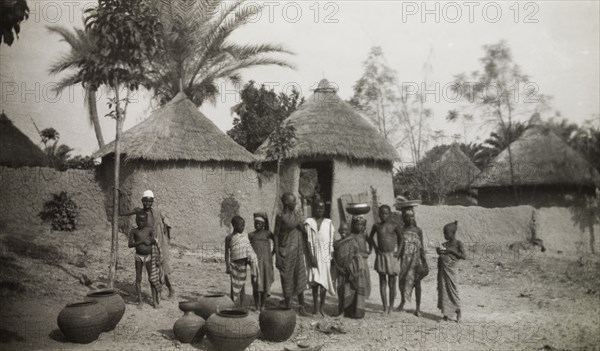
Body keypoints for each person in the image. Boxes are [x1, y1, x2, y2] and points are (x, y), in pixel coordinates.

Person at [121, 190, 174, 298]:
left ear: (152, 202)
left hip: (158, 241)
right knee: (153, 267)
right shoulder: (139, 211)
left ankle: (170, 288)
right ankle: (158, 292)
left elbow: (166, 225)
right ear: (142, 201)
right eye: (145, 201)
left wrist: (166, 239)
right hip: (148, 242)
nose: (147, 204)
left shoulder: (156, 212)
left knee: (161, 265)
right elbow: (124, 213)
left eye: (150, 202)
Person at [274, 193, 315, 317]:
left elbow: (303, 231)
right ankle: (288, 306)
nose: (295, 203)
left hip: (297, 251)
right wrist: (277, 256)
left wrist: (302, 226)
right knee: (286, 278)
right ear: (286, 202)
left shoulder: (296, 216)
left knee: (300, 277)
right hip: (285, 252)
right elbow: (275, 236)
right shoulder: (280, 217)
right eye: (293, 201)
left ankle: (301, 308)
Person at [368, 205, 403, 316]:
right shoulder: (376, 226)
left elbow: (402, 239)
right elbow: (370, 238)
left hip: (392, 256)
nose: (384, 216)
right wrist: (375, 249)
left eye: (386, 213)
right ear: (379, 214)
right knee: (382, 282)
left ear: (390, 214)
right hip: (381, 256)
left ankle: (391, 308)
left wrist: (399, 252)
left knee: (392, 283)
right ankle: (384, 307)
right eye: (382, 214)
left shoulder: (394, 225)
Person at [304, 198, 336, 317]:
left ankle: (322, 308)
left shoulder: (328, 223)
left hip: (325, 255)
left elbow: (331, 241)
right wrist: (311, 256)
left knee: (324, 283)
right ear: (313, 208)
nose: (320, 210)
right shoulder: (309, 222)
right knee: (315, 283)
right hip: (313, 255)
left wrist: (330, 255)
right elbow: (307, 241)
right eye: (317, 207)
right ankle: (316, 309)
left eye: (322, 208)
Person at [397, 207, 429, 316]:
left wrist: (424, 262)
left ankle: (418, 308)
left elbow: (421, 247)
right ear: (403, 218)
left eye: (412, 216)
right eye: (407, 217)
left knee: (417, 283)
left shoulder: (418, 230)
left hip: (416, 261)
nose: (410, 218)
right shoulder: (401, 230)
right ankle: (402, 301)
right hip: (405, 260)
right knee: (402, 281)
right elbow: (399, 246)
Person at [333, 222, 369, 318]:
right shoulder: (336, 244)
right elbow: (334, 258)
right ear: (339, 231)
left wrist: (351, 268)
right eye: (342, 230)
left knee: (350, 291)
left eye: (346, 230)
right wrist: (338, 268)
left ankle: (350, 312)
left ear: (349, 231)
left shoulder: (352, 241)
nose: (343, 232)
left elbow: (357, 255)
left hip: (350, 271)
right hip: (340, 271)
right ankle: (341, 311)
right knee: (340, 290)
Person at [128, 212, 161, 308]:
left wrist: (151, 240)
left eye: (143, 221)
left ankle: (154, 301)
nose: (140, 222)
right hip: (138, 256)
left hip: (149, 256)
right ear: (136, 220)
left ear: (146, 221)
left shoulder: (149, 230)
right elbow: (130, 244)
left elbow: (154, 241)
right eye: (138, 220)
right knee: (138, 278)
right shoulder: (134, 231)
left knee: (152, 278)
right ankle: (140, 301)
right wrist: (141, 241)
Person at [225, 216, 259, 307]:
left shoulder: (244, 237)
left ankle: (242, 306)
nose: (243, 227)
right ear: (234, 225)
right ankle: (232, 305)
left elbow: (248, 250)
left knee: (242, 286)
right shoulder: (229, 238)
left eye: (244, 225)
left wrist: (251, 262)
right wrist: (227, 266)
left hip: (243, 264)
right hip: (234, 265)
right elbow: (227, 253)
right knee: (233, 286)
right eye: (241, 225)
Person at [437, 220, 466, 322]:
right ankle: (445, 315)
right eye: (444, 233)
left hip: (452, 272)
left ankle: (458, 312)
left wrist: (451, 251)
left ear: (453, 233)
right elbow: (442, 256)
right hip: (444, 273)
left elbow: (464, 256)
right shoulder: (444, 244)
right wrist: (439, 252)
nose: (444, 235)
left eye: (446, 233)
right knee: (444, 291)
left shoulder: (458, 244)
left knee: (454, 291)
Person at [248, 212, 275, 311]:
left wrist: (273, 253)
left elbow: (276, 240)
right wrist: (249, 259)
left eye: (260, 223)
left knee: (265, 284)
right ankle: (257, 306)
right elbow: (247, 247)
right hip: (255, 264)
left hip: (266, 263)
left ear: (264, 225)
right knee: (256, 285)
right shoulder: (251, 235)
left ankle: (263, 305)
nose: (257, 225)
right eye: (256, 223)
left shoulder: (267, 233)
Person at [350, 215, 371, 301]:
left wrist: (370, 250)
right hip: (355, 261)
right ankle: (356, 296)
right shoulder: (351, 235)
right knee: (356, 278)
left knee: (365, 277)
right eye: (357, 224)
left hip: (364, 260)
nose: (359, 226)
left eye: (361, 225)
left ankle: (364, 295)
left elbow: (371, 242)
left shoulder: (364, 235)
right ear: (353, 225)